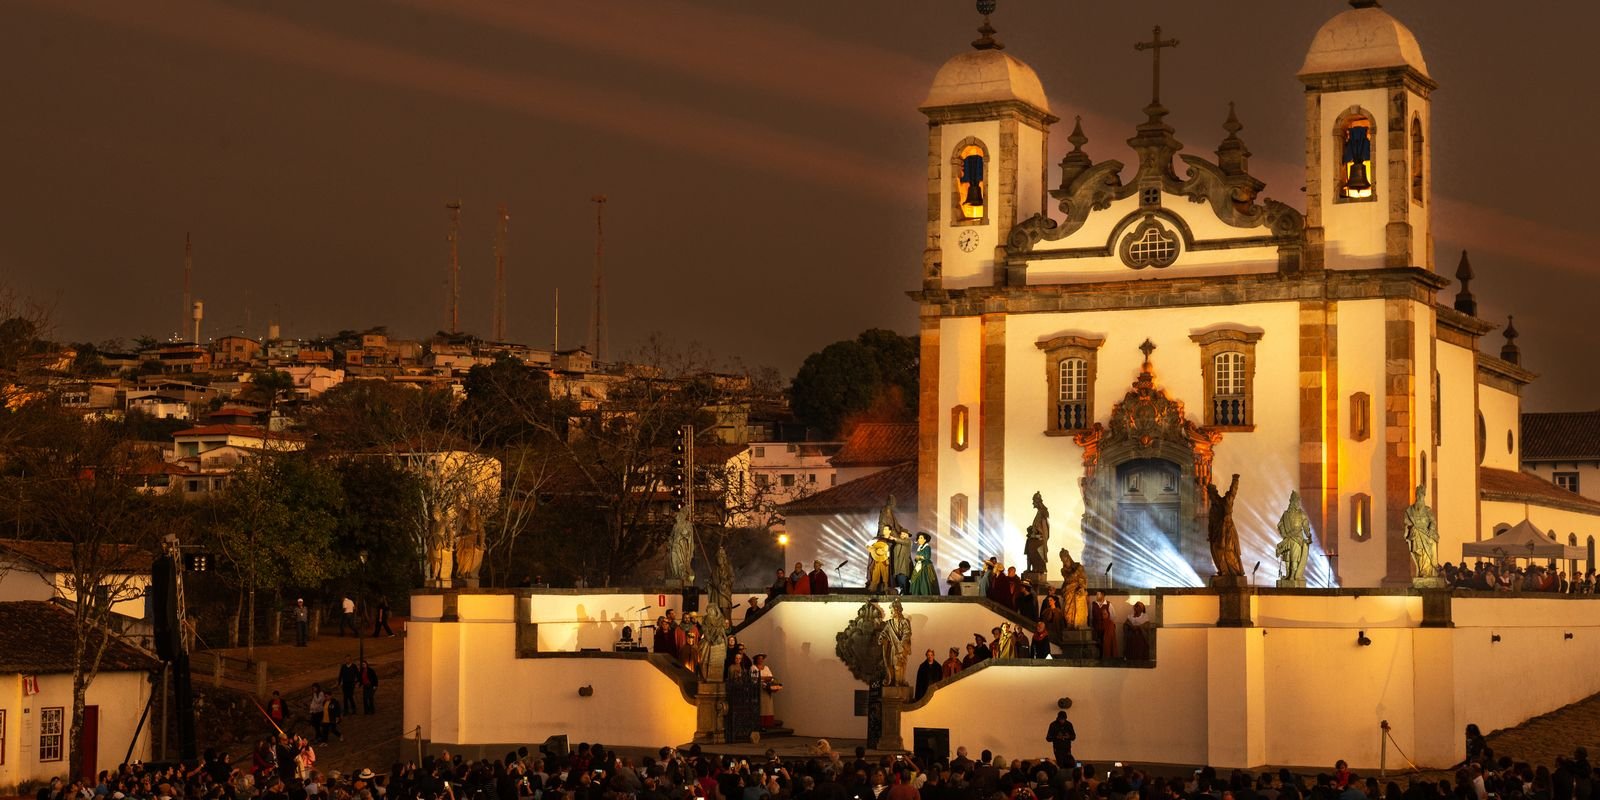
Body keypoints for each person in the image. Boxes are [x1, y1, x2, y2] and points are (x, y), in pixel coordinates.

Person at [753, 654, 778, 728]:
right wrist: (764, 678)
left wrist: (764, 678)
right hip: (759, 689)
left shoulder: (766, 667)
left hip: (766, 690)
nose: (761, 660)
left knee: (768, 706)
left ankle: (768, 723)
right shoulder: (753, 667)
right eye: (759, 659)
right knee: (761, 706)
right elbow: (754, 678)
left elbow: (771, 677)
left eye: (762, 659)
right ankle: (760, 723)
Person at [1089, 591, 1116, 659]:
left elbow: (1113, 616)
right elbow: (1091, 617)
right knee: (1097, 644)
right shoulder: (1093, 604)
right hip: (1096, 628)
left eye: (1098, 594)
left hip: (1106, 628)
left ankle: (1106, 658)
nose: (1097, 596)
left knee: (1106, 644)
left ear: (1103, 595)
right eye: (1096, 594)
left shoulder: (1108, 604)